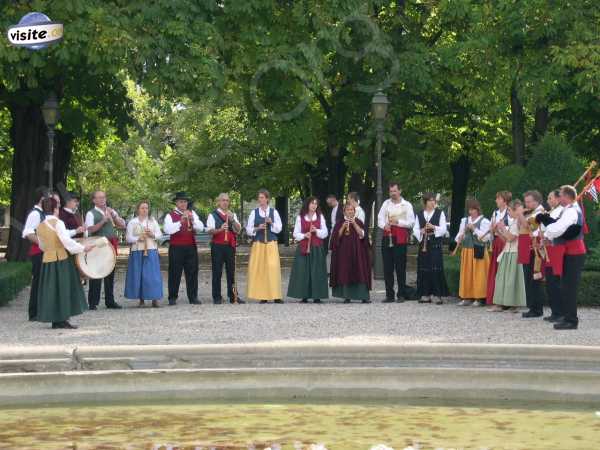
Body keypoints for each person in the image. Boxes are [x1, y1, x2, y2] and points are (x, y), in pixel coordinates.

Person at [35, 197, 94, 329]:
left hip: (47, 260)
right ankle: (62, 318)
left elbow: (42, 245)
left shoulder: (40, 226)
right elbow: (66, 241)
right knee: (63, 288)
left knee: (52, 290)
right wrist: (83, 248)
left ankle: (56, 319)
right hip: (61, 260)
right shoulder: (58, 223)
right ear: (56, 209)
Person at [543, 185, 586, 330]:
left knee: (569, 288)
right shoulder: (569, 210)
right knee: (566, 286)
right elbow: (557, 228)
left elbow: (558, 228)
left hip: (574, 253)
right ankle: (568, 318)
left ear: (567, 197)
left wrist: (547, 233)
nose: (559, 197)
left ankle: (571, 321)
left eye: (560, 195)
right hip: (570, 252)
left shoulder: (571, 211)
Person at [85, 190, 126, 310]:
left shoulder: (110, 210)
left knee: (110, 272)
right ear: (94, 200)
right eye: (99, 198)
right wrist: (103, 221)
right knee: (97, 273)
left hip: (110, 244)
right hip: (98, 245)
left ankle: (110, 300)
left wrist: (113, 216)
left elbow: (122, 225)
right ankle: (93, 302)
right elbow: (90, 230)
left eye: (104, 197)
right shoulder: (91, 213)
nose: (103, 200)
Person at [377, 181, 416, 303]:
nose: (392, 193)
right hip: (387, 236)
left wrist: (398, 223)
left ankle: (401, 294)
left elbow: (411, 222)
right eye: (391, 191)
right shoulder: (386, 203)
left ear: (400, 191)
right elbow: (379, 219)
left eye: (394, 191)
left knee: (400, 267)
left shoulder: (407, 205)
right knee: (387, 267)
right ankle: (389, 295)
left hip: (400, 239)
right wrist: (385, 226)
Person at [163, 192, 204, 305]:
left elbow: (201, 228)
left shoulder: (192, 213)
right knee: (174, 272)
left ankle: (193, 297)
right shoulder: (170, 215)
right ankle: (172, 297)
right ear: (176, 203)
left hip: (191, 246)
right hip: (176, 247)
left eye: (185, 202)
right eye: (181, 201)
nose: (183, 204)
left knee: (192, 272)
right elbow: (168, 230)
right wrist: (180, 221)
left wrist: (193, 220)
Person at [287, 197, 329, 303]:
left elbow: (325, 233)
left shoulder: (320, 217)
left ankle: (317, 296)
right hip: (304, 248)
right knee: (303, 272)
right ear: (307, 204)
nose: (314, 205)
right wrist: (304, 235)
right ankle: (303, 295)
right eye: (312, 203)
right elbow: (295, 234)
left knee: (317, 271)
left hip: (317, 247)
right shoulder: (300, 217)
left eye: (315, 204)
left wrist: (317, 231)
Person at [246, 189, 283, 303]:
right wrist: (258, 228)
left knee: (273, 268)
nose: (260, 199)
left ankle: (276, 295)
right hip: (259, 244)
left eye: (262, 197)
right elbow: (248, 229)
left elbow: (279, 228)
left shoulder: (274, 212)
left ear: (267, 199)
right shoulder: (254, 212)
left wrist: (271, 222)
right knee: (261, 269)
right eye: (259, 197)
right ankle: (263, 296)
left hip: (271, 243)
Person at [206, 193, 244, 304]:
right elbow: (209, 231)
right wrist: (220, 229)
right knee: (217, 272)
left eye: (227, 200)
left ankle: (233, 296)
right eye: (223, 200)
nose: (225, 202)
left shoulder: (232, 214)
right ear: (218, 202)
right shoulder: (212, 215)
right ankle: (217, 297)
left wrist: (232, 220)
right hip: (217, 246)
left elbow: (238, 230)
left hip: (230, 246)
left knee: (231, 272)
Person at [329, 202, 372, 303]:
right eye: (348, 210)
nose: (350, 211)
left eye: (352, 210)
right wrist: (343, 227)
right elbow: (336, 237)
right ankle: (346, 296)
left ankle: (363, 296)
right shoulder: (339, 222)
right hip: (343, 253)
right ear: (344, 211)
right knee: (345, 272)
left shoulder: (359, 221)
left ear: (354, 211)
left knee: (360, 271)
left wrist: (354, 224)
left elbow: (362, 235)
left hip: (358, 252)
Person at [124, 200, 163, 308]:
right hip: (137, 251)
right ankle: (141, 300)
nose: (144, 210)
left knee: (152, 275)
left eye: (146, 208)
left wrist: (152, 234)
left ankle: (155, 299)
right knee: (139, 275)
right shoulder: (133, 222)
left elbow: (160, 235)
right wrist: (138, 238)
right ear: (138, 209)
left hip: (150, 250)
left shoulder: (152, 221)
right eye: (142, 208)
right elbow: (128, 238)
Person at [490, 199, 527, 312]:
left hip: (514, 253)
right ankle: (501, 303)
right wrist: (498, 231)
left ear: (516, 211)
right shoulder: (512, 223)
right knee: (502, 279)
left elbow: (511, 238)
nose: (509, 213)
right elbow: (506, 240)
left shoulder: (518, 223)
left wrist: (502, 227)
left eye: (510, 210)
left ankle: (513, 304)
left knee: (512, 280)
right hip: (507, 252)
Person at [412, 193, 449, 304]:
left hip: (435, 245)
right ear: (425, 202)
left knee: (435, 268)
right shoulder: (419, 214)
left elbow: (443, 229)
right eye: (430, 200)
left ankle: (438, 295)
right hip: (424, 245)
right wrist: (421, 231)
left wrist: (433, 227)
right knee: (424, 268)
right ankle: (425, 294)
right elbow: (415, 229)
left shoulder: (439, 213)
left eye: (434, 200)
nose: (433, 202)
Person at [454, 198, 491, 306]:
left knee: (479, 274)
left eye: (473, 209)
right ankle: (467, 296)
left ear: (477, 209)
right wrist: (459, 237)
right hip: (467, 250)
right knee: (467, 274)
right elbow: (460, 234)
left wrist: (474, 229)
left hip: (478, 250)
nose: (471, 212)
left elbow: (485, 238)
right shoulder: (464, 220)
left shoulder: (484, 221)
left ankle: (479, 298)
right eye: (469, 210)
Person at [21, 187, 49, 321]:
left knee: (42, 281)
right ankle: (33, 312)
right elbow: (27, 232)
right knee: (38, 281)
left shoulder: (42, 213)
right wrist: (42, 244)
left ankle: (39, 310)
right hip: (38, 252)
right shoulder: (35, 214)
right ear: (42, 199)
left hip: (42, 252)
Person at [540, 189, 565, 323]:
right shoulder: (551, 212)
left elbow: (556, 229)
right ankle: (555, 311)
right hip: (549, 248)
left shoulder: (561, 212)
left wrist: (547, 236)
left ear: (558, 198)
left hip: (556, 248)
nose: (548, 201)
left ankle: (560, 312)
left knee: (555, 282)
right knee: (550, 282)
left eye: (550, 198)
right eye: (548, 199)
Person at [520, 190, 546, 318]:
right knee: (529, 277)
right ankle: (533, 306)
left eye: (529, 201)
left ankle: (536, 308)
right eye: (526, 202)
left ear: (536, 200)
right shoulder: (531, 212)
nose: (527, 204)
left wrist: (520, 214)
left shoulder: (540, 213)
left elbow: (528, 226)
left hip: (535, 249)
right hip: (528, 246)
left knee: (534, 278)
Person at [485, 191, 512, 306]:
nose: (496, 200)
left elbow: (512, 228)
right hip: (496, 242)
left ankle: (507, 300)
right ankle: (495, 298)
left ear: (504, 200)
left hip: (506, 242)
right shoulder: (495, 213)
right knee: (495, 270)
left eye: (498, 198)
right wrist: (492, 230)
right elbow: (491, 230)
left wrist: (501, 227)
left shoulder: (510, 212)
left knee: (505, 270)